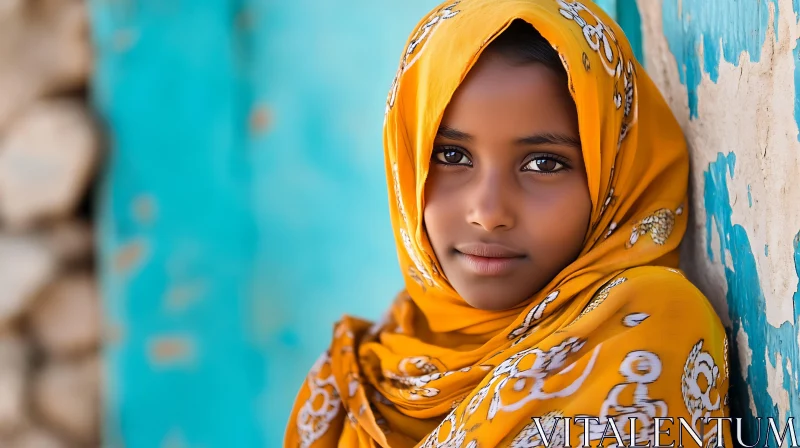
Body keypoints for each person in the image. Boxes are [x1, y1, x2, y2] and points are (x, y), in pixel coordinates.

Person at [285, 0, 731, 446]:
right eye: (452, 156)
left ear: (614, 176)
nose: (489, 213)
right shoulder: (357, 377)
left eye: (544, 163)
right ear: (409, 164)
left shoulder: (641, 330)